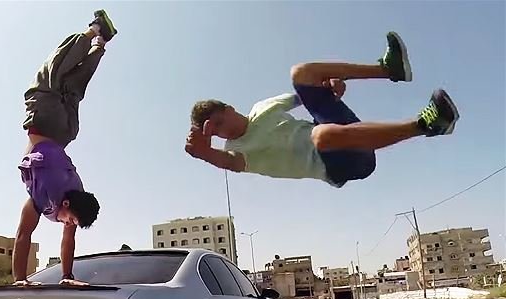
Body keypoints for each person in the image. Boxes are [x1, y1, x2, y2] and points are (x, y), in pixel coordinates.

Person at [185, 32, 459, 188]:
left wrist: (329, 86)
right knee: (321, 136)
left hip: (343, 133)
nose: (225, 131)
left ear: (230, 108)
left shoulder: (263, 107)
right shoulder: (237, 150)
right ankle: (426, 124)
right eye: (217, 131)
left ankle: (389, 70)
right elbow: (230, 163)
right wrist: (206, 153)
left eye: (221, 121)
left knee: (301, 72)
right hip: (343, 165)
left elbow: (305, 95)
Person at [12, 10, 117, 285]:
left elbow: (68, 240)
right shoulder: (44, 196)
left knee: (73, 89)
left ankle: (100, 45)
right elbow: (23, 235)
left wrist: (67, 276)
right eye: (71, 219)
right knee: (51, 75)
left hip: (67, 132)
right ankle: (94, 29)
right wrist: (20, 279)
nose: (69, 224)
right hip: (46, 124)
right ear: (66, 203)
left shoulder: (76, 198)